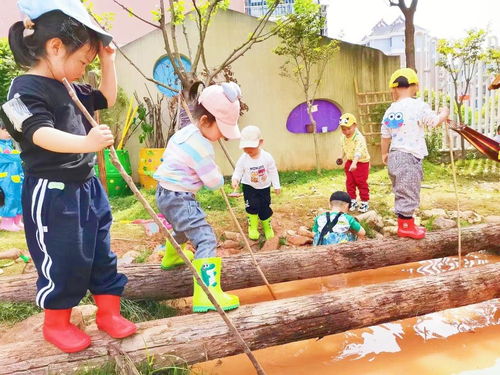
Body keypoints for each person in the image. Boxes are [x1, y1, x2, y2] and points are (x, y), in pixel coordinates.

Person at [0, 0, 136, 353]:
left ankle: (109, 313)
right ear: (55, 46)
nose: (82, 70)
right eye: (83, 61)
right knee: (63, 256)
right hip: (52, 191)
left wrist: (108, 62)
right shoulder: (23, 89)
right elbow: (36, 132)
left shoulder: (71, 87)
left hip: (87, 187)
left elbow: (106, 96)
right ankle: (57, 322)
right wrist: (86, 142)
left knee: (100, 251)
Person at [154, 82, 242, 313]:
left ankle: (171, 258)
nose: (222, 136)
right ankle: (207, 294)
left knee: (182, 228)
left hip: (165, 193)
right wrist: (219, 178)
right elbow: (213, 182)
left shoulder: (184, 133)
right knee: (205, 239)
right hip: (180, 196)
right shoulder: (200, 146)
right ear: (205, 121)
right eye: (221, 130)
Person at [381, 68, 449, 239]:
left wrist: (384, 155)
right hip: (409, 156)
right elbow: (433, 122)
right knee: (409, 191)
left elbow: (385, 135)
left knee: (401, 190)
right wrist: (444, 113)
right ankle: (405, 227)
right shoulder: (418, 105)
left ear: (394, 88)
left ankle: (405, 224)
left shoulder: (390, 110)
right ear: (415, 86)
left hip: (394, 156)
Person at [231, 125, 281, 240]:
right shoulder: (244, 158)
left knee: (265, 207)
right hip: (249, 187)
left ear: (260, 142)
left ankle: (267, 227)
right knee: (252, 206)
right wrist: (235, 179)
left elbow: (273, 171)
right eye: (245, 148)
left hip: (264, 187)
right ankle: (252, 227)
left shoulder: (267, 157)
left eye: (251, 148)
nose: (248, 151)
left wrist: (276, 185)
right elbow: (238, 170)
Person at [338, 113, 371, 213]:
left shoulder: (358, 137)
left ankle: (364, 201)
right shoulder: (343, 137)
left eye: (349, 128)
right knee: (350, 182)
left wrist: (355, 163)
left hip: (361, 162)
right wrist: (341, 157)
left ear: (355, 126)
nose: (346, 131)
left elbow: (358, 151)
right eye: (344, 129)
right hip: (350, 161)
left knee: (361, 182)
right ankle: (352, 200)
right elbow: (344, 148)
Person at [0, 117, 24, 231]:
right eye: (5, 130)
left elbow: (17, 160)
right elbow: (4, 157)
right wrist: (19, 156)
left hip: (16, 177)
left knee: (19, 198)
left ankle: (17, 221)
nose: (9, 134)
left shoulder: (10, 144)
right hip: (5, 178)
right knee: (9, 199)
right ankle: (6, 222)